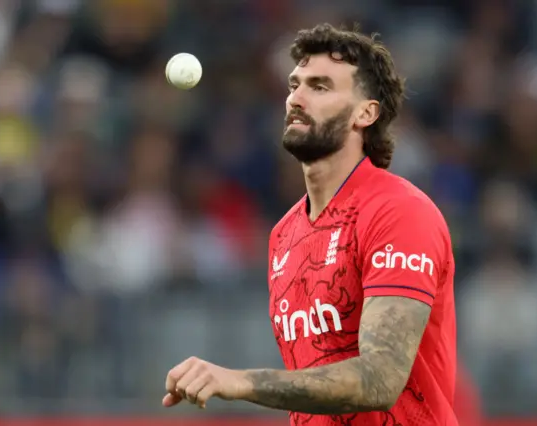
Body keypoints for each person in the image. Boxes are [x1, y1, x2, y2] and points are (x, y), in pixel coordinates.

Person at [163, 23, 457, 426]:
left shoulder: (398, 211)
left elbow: (380, 379)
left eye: (319, 87)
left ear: (365, 112)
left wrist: (239, 381)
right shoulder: (284, 234)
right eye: (293, 85)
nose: (295, 99)